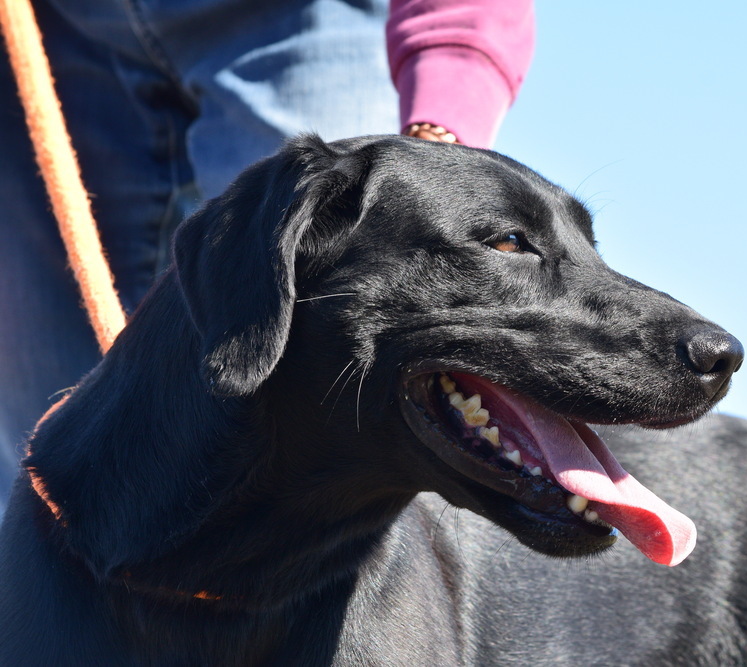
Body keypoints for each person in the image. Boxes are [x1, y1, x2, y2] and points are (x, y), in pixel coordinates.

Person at [0, 0, 535, 513]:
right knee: (43, 451)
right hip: (58, 28)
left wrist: (440, 117)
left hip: (308, 15)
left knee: (337, 409)